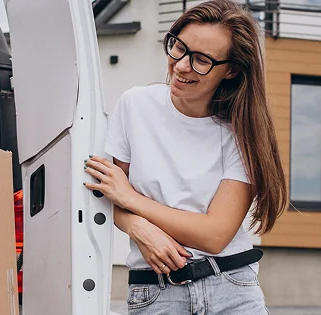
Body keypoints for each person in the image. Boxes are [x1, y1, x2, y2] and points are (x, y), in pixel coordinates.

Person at [84, 0, 287, 313]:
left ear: (231, 70)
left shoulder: (243, 131)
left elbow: (215, 235)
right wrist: (139, 228)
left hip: (231, 289)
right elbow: (110, 195)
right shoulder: (134, 106)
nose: (180, 66)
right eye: (178, 47)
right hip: (156, 290)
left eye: (201, 60)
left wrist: (133, 200)